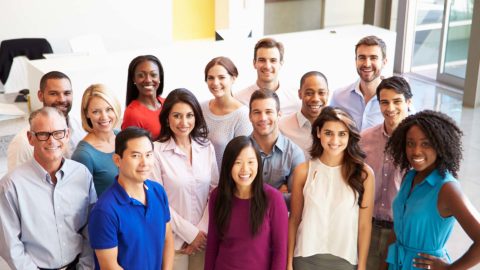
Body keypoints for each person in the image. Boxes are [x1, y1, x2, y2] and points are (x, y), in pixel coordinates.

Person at [0, 107, 96, 270]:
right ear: (31, 138)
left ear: (67, 135)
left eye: (58, 133)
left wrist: (85, 266)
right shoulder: (11, 185)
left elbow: (91, 228)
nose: (52, 141)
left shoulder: (82, 175)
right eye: (43, 134)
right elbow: (10, 245)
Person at [383, 110, 480, 270]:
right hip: (396, 263)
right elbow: (399, 227)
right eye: (410, 143)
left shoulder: (447, 188)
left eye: (426, 143)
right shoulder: (410, 176)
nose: (416, 151)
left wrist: (450, 269)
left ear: (440, 145)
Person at [288, 106, 374, 270]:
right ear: (319, 132)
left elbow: (364, 226)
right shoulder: (303, 171)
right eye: (328, 133)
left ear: (349, 136)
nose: (335, 140)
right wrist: (289, 263)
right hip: (304, 259)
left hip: (345, 262)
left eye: (342, 134)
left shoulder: (364, 174)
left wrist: (362, 266)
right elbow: (294, 220)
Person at [88, 127, 174, 270]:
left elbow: (167, 239)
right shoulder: (104, 211)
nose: (144, 163)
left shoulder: (158, 191)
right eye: (135, 156)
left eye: (148, 155)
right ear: (117, 160)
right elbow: (109, 266)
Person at [151, 88, 218, 270]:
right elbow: (158, 202)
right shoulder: (155, 152)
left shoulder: (206, 147)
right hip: (171, 241)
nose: (184, 122)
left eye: (189, 115)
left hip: (203, 240)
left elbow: (214, 192)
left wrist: (200, 233)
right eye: (177, 116)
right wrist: (190, 234)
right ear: (167, 118)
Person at [205, 136, 288, 270]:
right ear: (228, 164)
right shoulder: (217, 196)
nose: (245, 169)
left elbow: (280, 251)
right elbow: (212, 245)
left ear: (258, 164)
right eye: (238, 162)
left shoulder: (274, 198)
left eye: (251, 162)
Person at [359, 76, 413, 270]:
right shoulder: (364, 139)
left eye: (397, 101)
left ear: (408, 102)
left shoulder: (419, 144)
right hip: (368, 227)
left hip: (402, 231)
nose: (390, 108)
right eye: (384, 102)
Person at [7, 71, 86, 173]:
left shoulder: (81, 128)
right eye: (54, 94)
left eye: (67, 93)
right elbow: (16, 184)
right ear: (40, 95)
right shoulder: (22, 142)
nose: (62, 99)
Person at [249, 89, 305, 208]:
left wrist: (251, 193)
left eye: (269, 112)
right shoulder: (239, 149)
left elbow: (296, 200)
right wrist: (277, 195)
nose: (263, 118)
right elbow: (230, 194)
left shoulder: (294, 153)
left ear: (279, 115)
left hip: (278, 223)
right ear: (250, 116)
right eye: (257, 112)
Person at [201, 56, 252, 167]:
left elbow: (243, 159)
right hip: (199, 180)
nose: (215, 82)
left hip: (225, 182)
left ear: (233, 78)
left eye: (221, 77)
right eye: (210, 78)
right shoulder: (200, 108)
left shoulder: (243, 116)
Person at [72, 84, 122, 197]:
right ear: (87, 114)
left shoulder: (123, 137)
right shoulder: (83, 155)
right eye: (96, 112)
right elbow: (81, 200)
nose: (104, 117)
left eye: (109, 109)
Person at [330, 35, 387, 131]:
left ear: (384, 62)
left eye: (373, 58)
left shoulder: (396, 101)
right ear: (355, 61)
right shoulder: (338, 97)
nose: (367, 64)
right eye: (362, 58)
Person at [235, 37, 300, 116]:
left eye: (273, 60)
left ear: (281, 64)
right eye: (262, 60)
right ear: (254, 63)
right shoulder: (239, 100)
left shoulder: (296, 99)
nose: (267, 66)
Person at [279, 71, 329, 159]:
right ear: (300, 94)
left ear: (328, 94)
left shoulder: (338, 126)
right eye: (309, 93)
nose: (315, 99)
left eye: (321, 93)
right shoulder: (282, 127)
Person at [121, 55, 165, 141]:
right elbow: (131, 149)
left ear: (160, 77)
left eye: (153, 75)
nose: (148, 80)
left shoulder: (168, 103)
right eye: (141, 75)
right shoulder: (132, 114)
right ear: (134, 79)